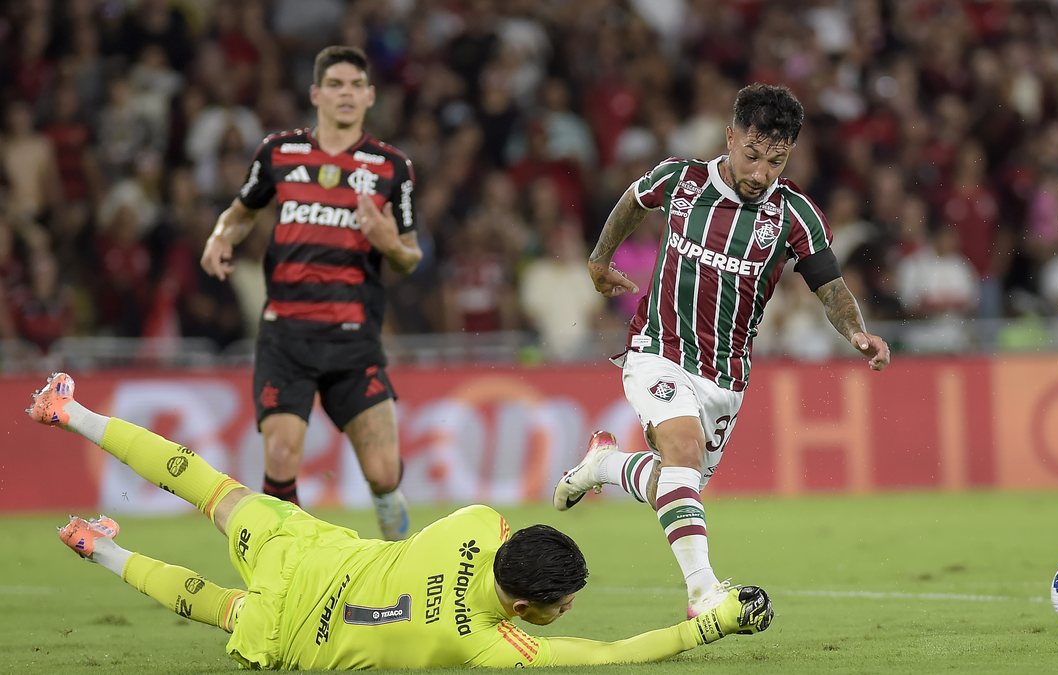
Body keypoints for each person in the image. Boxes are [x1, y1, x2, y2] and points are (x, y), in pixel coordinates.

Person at [29, 372, 774, 669]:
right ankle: (95, 546)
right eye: (559, 604)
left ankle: (69, 410)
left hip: (306, 552)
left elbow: (510, 542)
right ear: (521, 609)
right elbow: (612, 655)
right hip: (298, 638)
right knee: (207, 603)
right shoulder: (481, 643)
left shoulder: (479, 524)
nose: (568, 610)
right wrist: (707, 626)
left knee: (205, 485)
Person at [553, 83, 891, 617]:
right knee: (682, 453)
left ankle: (604, 466)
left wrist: (856, 331)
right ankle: (703, 593)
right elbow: (632, 201)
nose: (760, 174)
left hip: (726, 376)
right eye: (752, 155)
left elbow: (830, 286)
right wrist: (599, 259)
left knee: (676, 481)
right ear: (730, 137)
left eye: (775, 162)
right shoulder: (681, 179)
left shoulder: (794, 215)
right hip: (657, 348)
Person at [200, 46, 422, 540]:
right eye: (335, 85)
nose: (345, 95)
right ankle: (287, 568)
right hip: (286, 336)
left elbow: (410, 256)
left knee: (384, 472)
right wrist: (220, 238)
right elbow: (240, 213)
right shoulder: (279, 153)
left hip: (353, 339)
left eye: (355, 86)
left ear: (369, 96)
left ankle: (397, 538)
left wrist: (388, 243)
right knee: (280, 459)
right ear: (316, 94)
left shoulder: (391, 167)